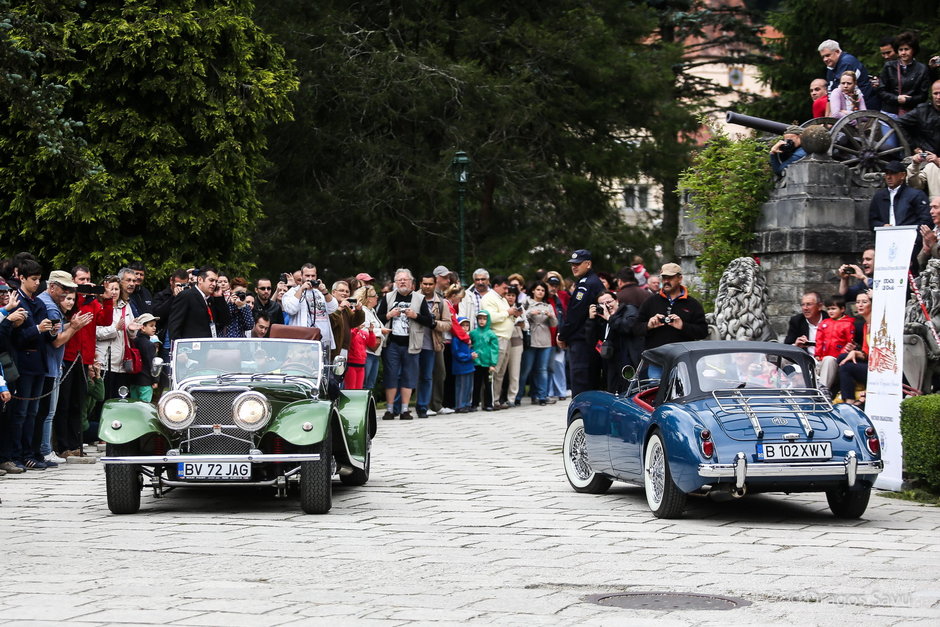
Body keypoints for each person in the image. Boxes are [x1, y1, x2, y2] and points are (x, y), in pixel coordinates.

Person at [375, 268, 434, 420]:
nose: (402, 282)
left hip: (411, 343)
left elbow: (429, 321)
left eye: (405, 279)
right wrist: (389, 315)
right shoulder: (388, 297)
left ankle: (405, 410)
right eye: (399, 280)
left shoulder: (419, 299)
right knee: (391, 376)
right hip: (392, 343)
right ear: (395, 283)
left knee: (409, 376)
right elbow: (376, 318)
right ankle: (389, 409)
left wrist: (415, 315)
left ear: (411, 283)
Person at [635, 263, 708, 373]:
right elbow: (635, 328)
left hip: (683, 362)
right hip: (656, 361)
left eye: (670, 277)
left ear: (680, 278)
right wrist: (648, 326)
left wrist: (683, 326)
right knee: (656, 390)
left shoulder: (692, 304)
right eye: (664, 278)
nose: (666, 281)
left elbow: (703, 332)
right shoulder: (650, 301)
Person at [556, 249, 605, 398]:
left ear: (588, 264)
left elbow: (575, 315)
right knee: (589, 383)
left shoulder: (586, 285)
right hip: (588, 340)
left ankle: (581, 418)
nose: (574, 267)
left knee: (581, 386)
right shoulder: (592, 282)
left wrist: (562, 335)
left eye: (578, 264)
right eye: (572, 264)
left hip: (582, 341)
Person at [868, 161, 931, 256]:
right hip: (886, 242)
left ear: (902, 175)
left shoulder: (916, 195)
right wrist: (882, 226)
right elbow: (872, 221)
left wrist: (913, 237)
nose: (888, 177)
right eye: (887, 174)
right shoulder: (879, 196)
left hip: (911, 243)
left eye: (892, 173)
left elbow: (925, 220)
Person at [481, 276, 521, 409]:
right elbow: (490, 317)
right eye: (504, 288)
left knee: (501, 372)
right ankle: (489, 401)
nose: (506, 291)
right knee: (494, 370)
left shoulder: (501, 298)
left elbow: (505, 316)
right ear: (496, 286)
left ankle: (496, 400)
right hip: (496, 337)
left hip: (506, 338)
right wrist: (508, 312)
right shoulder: (489, 298)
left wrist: (514, 315)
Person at [281, 263, 338, 352]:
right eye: (307, 275)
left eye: (313, 276)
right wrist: (301, 289)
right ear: (301, 276)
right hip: (302, 344)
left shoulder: (320, 292)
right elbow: (291, 309)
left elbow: (333, 308)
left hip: (322, 343)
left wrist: (325, 291)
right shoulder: (292, 293)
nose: (310, 278)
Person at [166, 266, 231, 341]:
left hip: (209, 345)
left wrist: (219, 298)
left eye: (216, 281)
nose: (214, 284)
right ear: (200, 279)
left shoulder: (212, 299)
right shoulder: (186, 296)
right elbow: (175, 325)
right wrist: (180, 349)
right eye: (211, 280)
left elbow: (225, 321)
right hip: (191, 347)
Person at [518, 281, 557, 405]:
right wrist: (530, 313)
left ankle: (541, 396)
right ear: (533, 290)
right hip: (531, 339)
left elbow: (555, 324)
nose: (540, 292)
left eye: (543, 290)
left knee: (542, 370)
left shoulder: (548, 305)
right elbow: (520, 317)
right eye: (538, 289)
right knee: (526, 369)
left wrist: (551, 316)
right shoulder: (527, 303)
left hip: (545, 340)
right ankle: (517, 396)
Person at [877, 32, 930, 118]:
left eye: (906, 49)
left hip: (912, 113)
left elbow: (923, 95)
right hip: (889, 112)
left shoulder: (922, 69)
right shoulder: (889, 66)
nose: (903, 52)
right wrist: (896, 98)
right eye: (901, 50)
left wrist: (908, 100)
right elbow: (881, 90)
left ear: (913, 50)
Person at [819, 39, 878, 110]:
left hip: (865, 104)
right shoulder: (831, 66)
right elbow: (830, 93)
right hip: (850, 106)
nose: (825, 59)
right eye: (823, 57)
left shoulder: (846, 62)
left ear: (837, 52)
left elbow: (843, 89)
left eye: (828, 55)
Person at [815, 294, 856, 390]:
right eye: (828, 309)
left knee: (829, 360)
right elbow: (819, 340)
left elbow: (849, 344)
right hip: (822, 358)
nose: (830, 311)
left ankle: (822, 392)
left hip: (837, 361)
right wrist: (817, 354)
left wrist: (840, 357)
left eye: (833, 308)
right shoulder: (824, 323)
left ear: (842, 309)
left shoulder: (848, 324)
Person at [838, 291, 872, 406]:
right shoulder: (865, 326)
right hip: (869, 362)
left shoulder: (879, 323)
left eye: (864, 302)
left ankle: (849, 401)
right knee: (842, 357)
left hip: (879, 367)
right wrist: (855, 353)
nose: (860, 305)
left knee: (846, 367)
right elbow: (866, 353)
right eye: (858, 302)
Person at [353, 284, 387, 390]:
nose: (377, 297)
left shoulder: (372, 311)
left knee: (370, 385)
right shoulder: (363, 311)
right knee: (363, 384)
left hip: (375, 353)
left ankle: (368, 406)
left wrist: (378, 331)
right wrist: (381, 331)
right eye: (374, 295)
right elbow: (363, 330)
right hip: (366, 353)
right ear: (368, 299)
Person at [898, 80, 940, 154]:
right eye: (935, 93)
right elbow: (899, 123)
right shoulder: (922, 110)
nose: (938, 97)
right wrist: (913, 146)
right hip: (927, 156)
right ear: (931, 95)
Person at [783, 292, 828, 357]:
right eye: (803, 305)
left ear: (820, 306)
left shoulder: (830, 320)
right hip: (805, 360)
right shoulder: (797, 321)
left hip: (825, 359)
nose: (805, 308)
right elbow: (786, 347)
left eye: (809, 304)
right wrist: (796, 346)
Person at [470, 311, 498, 411]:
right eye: (480, 318)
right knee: (476, 384)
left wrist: (493, 363)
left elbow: (494, 350)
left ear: (488, 320)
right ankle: (474, 404)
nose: (482, 321)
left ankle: (488, 404)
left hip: (487, 364)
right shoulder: (473, 333)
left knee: (488, 384)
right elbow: (470, 346)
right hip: (476, 363)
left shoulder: (491, 334)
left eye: (484, 319)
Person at [129, 313, 160, 402]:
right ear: (142, 327)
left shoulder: (133, 341)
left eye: (154, 326)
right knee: (144, 408)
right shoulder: (149, 345)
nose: (154, 328)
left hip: (133, 380)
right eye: (151, 326)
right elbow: (152, 364)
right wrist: (155, 380)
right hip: (146, 381)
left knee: (133, 405)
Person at [451, 317, 476, 413]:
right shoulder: (456, 338)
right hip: (460, 366)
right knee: (461, 385)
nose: (465, 328)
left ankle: (467, 403)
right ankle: (460, 405)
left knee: (469, 385)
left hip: (469, 365)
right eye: (462, 325)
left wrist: (473, 353)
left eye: (467, 325)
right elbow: (457, 353)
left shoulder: (467, 338)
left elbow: (471, 348)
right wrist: (469, 356)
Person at [917, 196, 940, 269]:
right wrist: (926, 251)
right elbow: (921, 264)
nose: (931, 211)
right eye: (931, 208)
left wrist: (932, 244)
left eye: (935, 207)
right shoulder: (935, 230)